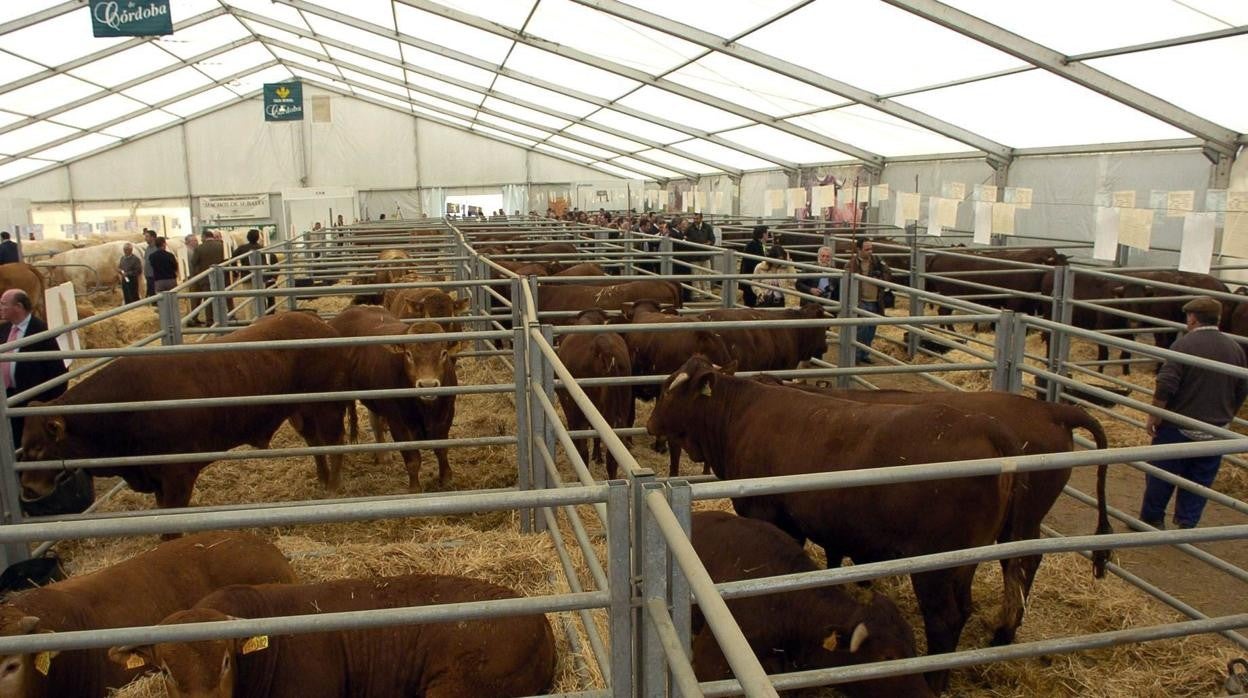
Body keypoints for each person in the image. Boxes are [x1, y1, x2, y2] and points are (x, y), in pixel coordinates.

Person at [1140, 296, 1248, 529]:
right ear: (1217, 319)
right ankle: (1187, 522)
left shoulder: (1184, 345)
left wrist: (1155, 414)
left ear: (1192, 319)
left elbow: (1166, 384)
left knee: (1162, 473)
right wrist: (1227, 414)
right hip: (1216, 428)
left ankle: (1152, 517)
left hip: (1179, 425)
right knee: (1200, 479)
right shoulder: (1235, 348)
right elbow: (1242, 388)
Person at [0, 289, 67, 448]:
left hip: (31, 401)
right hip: (5, 397)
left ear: (18, 306)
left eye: (3, 304)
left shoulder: (41, 332)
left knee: (29, 444)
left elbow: (58, 372)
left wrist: (47, 406)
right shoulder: (3, 329)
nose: (0, 308)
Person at [847, 239, 891, 364]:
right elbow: (847, 281)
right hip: (861, 301)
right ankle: (856, 355)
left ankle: (865, 354)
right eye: (867, 249)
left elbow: (888, 272)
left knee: (871, 330)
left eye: (871, 249)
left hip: (876, 301)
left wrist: (880, 278)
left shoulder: (877, 260)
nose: (870, 252)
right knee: (862, 329)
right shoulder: (852, 264)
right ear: (859, 250)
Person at [189, 231, 228, 325]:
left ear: (204, 237)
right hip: (220, 276)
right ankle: (222, 318)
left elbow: (193, 262)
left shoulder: (199, 248)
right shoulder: (221, 246)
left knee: (208, 300)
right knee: (220, 298)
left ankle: (210, 320)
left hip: (205, 277)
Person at [233, 228, 275, 314]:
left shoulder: (242, 248)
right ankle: (261, 315)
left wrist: (236, 271)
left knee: (249, 299)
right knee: (260, 297)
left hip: (246, 276)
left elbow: (233, 259)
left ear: (247, 237)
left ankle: (250, 318)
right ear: (258, 238)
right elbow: (267, 262)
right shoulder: (261, 249)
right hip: (260, 277)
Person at [740, 225, 770, 307]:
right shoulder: (753, 246)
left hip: (753, 279)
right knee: (751, 303)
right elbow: (755, 263)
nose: (768, 235)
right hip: (751, 279)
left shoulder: (758, 244)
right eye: (767, 233)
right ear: (763, 234)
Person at [142, 229, 159, 297]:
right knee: (151, 295)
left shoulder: (157, 248)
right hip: (148, 276)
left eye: (147, 236)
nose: (145, 238)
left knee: (155, 296)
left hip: (155, 277)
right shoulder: (147, 248)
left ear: (153, 237)